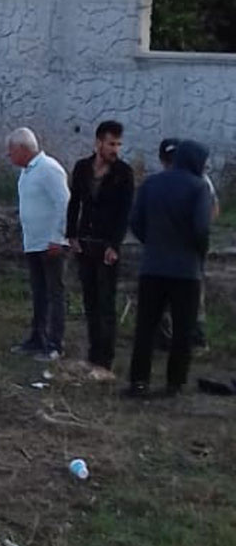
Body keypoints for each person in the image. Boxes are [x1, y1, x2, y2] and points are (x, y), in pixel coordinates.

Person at [126, 139, 213, 398]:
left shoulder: (151, 183)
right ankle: (174, 383)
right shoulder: (199, 188)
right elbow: (201, 228)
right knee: (182, 330)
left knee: (145, 327)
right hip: (185, 270)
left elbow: (135, 222)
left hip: (152, 266)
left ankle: (139, 381)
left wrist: (152, 243)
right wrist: (200, 252)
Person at [66, 120, 134, 373]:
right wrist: (71, 234)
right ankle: (93, 353)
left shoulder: (123, 173)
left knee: (106, 303)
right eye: (111, 143)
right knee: (90, 301)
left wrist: (114, 245)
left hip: (107, 244)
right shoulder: (83, 168)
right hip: (86, 242)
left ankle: (105, 359)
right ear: (98, 143)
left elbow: (125, 212)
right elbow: (74, 202)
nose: (115, 149)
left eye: (118, 144)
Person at [8, 127, 70, 361]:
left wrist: (58, 237)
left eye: (11, 151)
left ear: (23, 149)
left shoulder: (49, 169)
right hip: (33, 243)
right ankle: (37, 337)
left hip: (51, 244)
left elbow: (65, 204)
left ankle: (55, 344)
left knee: (55, 293)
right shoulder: (26, 172)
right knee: (39, 293)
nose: (9, 156)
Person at [156, 138, 219, 351]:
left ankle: (196, 337)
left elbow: (213, 209)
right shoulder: (161, 181)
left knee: (193, 292)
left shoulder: (200, 181)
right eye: (167, 161)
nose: (171, 165)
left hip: (189, 247)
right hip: (168, 246)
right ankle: (165, 336)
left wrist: (197, 233)